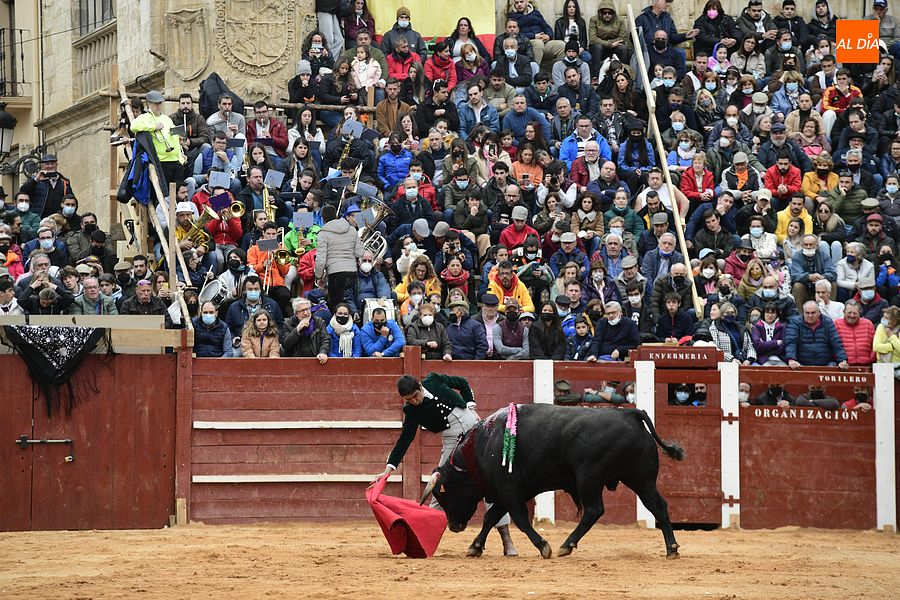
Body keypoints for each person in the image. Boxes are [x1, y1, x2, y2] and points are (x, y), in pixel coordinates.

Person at [372, 373, 518, 556]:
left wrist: (470, 405)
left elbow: (462, 382)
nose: (414, 402)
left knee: (489, 483)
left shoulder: (433, 380)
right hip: (451, 439)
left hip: (475, 429)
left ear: (419, 386)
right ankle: (424, 539)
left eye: (415, 397)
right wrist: (388, 469)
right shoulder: (411, 411)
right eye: (409, 400)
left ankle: (507, 541)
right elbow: (405, 440)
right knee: (438, 485)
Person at [315, 205, 364, 313]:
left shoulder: (323, 234)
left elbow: (321, 260)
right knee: (351, 305)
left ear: (323, 218)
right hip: (352, 273)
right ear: (336, 215)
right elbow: (359, 252)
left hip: (335, 275)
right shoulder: (351, 230)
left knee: (337, 310)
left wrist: (318, 276)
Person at [784, 300, 849, 369]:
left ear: (819, 312)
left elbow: (836, 342)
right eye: (807, 313)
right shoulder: (795, 322)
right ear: (803, 312)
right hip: (801, 364)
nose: (810, 316)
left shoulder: (828, 322)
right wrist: (791, 359)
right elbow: (791, 342)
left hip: (826, 364)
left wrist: (842, 360)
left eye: (813, 313)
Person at [280, 297, 330, 362]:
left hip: (316, 360)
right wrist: (297, 329)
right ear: (296, 314)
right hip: (295, 361)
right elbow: (286, 345)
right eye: (302, 311)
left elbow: (325, 339)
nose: (306, 313)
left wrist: (323, 352)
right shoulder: (287, 324)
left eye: (307, 309)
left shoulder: (318, 321)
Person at [834, 300, 876, 367]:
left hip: (866, 366)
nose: (852, 315)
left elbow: (874, 345)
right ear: (843, 312)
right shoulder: (836, 324)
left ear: (859, 313)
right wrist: (839, 360)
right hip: (843, 366)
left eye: (855, 313)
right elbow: (832, 346)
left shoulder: (868, 324)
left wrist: (871, 360)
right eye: (849, 313)